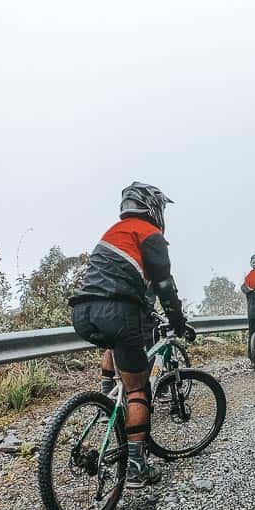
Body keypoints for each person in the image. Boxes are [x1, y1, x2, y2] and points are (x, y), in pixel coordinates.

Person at [70, 182, 195, 488]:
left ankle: (107, 391)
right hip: (117, 312)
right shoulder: (149, 234)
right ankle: (137, 467)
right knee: (139, 390)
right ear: (153, 208)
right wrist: (178, 322)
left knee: (120, 351)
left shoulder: (113, 232)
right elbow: (164, 285)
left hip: (82, 311)